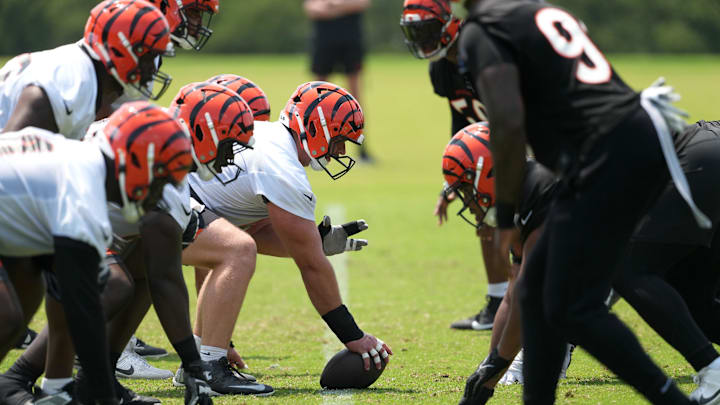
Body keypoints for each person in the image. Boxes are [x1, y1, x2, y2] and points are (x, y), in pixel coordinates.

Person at [454, 0, 704, 403]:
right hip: (628, 137)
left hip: (607, 152)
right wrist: (494, 365)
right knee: (537, 289)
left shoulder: (484, 29)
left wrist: (504, 217)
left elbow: (508, 121)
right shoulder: (532, 9)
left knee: (574, 306)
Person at [451, 120, 720, 405]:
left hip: (697, 160)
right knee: (692, 300)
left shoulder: (544, 187)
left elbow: (535, 292)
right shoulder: (529, 191)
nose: (469, 202)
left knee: (627, 270)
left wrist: (500, 364)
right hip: (704, 156)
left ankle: (711, 371)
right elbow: (515, 291)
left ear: (490, 172)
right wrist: (490, 366)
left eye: (467, 190)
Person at [174, 81, 392, 393]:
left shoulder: (270, 139)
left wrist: (312, 241)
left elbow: (243, 230)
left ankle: (198, 361)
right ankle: (209, 368)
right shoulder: (282, 169)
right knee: (238, 251)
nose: (342, 150)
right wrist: (353, 335)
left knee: (234, 246)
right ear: (317, 128)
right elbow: (312, 267)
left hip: (177, 194)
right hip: (165, 198)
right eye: (340, 139)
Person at [0, 101, 192, 405]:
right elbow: (83, 313)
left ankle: (17, 386)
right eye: (160, 181)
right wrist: (103, 394)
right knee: (8, 316)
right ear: (138, 163)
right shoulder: (84, 192)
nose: (159, 195)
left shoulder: (84, 163)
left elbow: (65, 296)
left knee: (27, 298)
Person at [400, 0, 509, 331]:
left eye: (428, 31)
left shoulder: (484, 53)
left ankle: (525, 301)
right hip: (492, 147)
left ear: (451, 22)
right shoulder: (442, 70)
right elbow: (461, 122)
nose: (423, 41)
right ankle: (497, 302)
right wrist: (454, 180)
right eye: (414, 33)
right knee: (482, 210)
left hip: (528, 142)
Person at [0, 0, 174, 137]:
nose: (152, 68)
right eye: (148, 57)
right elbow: (11, 155)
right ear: (118, 48)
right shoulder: (74, 82)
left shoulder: (91, 78)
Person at [303, 0, 374, 162]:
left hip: (351, 39)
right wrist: (339, 7)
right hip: (324, 40)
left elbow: (362, 3)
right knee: (317, 97)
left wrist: (333, 7)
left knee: (355, 98)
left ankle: (361, 148)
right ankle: (314, 147)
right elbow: (311, 8)